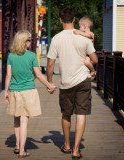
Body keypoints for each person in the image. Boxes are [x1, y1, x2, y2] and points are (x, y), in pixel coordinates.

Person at [47, 7, 98, 160]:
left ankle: (67, 145)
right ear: (74, 19)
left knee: (66, 114)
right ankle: (76, 150)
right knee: (81, 114)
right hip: (83, 80)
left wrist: (49, 82)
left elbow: (50, 64)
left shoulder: (56, 38)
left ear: (61, 20)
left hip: (66, 83)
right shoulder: (84, 37)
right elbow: (95, 59)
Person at [4, 30, 57, 158]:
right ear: (24, 41)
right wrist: (49, 85)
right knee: (24, 121)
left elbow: (8, 75)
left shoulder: (11, 56)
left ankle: (17, 145)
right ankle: (22, 150)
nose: (30, 42)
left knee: (16, 119)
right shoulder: (32, 56)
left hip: (15, 91)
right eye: (29, 40)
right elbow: (38, 75)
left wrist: (6, 92)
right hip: (28, 91)